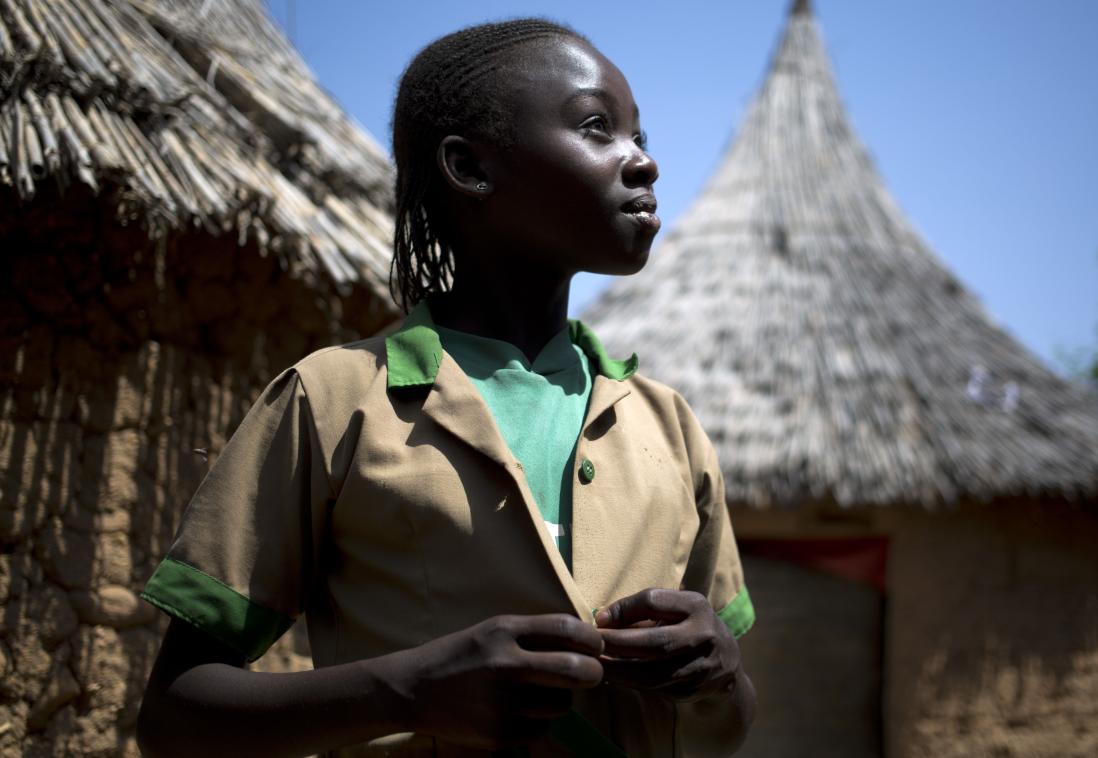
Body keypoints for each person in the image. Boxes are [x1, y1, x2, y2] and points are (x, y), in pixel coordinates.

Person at [135, 17, 756, 758]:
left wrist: (719, 673)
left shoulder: (667, 425)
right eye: (598, 128)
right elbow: (174, 717)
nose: (644, 161)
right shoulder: (333, 400)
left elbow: (731, 723)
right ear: (469, 167)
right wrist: (407, 691)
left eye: (640, 137)